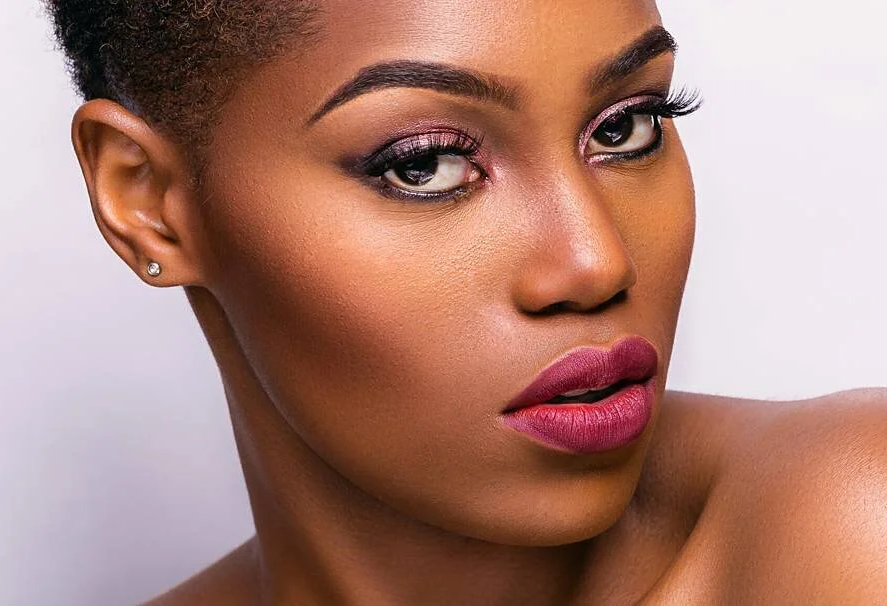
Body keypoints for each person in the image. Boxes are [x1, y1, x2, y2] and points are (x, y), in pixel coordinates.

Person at [45, 1, 887, 603]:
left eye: (627, 125)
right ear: (149, 199)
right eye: (425, 164)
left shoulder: (847, 528)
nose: (596, 263)